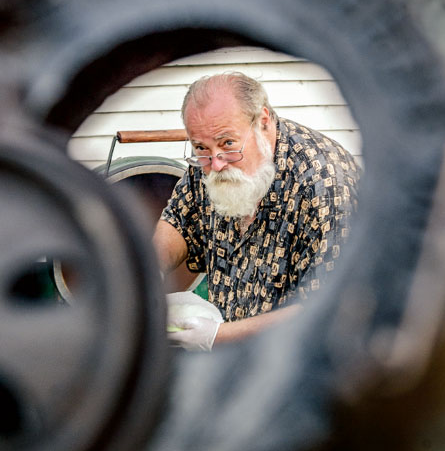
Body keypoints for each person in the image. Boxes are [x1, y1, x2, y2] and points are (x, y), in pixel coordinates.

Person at [153, 71, 361, 350]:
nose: (215, 164)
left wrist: (217, 337)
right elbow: (179, 220)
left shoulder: (324, 184)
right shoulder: (210, 156)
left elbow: (328, 307)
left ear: (263, 122)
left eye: (228, 144)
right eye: (201, 147)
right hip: (232, 350)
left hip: (299, 361)